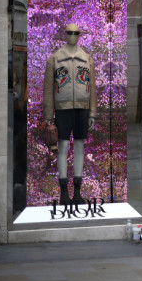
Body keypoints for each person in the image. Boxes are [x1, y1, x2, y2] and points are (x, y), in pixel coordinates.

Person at [43, 23, 97, 205]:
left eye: (76, 33)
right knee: (63, 148)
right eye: (69, 32)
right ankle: (64, 192)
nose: (72, 36)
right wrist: (48, 116)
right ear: (65, 34)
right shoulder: (55, 59)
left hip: (82, 109)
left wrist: (92, 113)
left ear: (79, 35)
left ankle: (78, 192)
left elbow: (93, 89)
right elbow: (48, 90)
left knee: (80, 147)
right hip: (62, 109)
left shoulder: (87, 59)